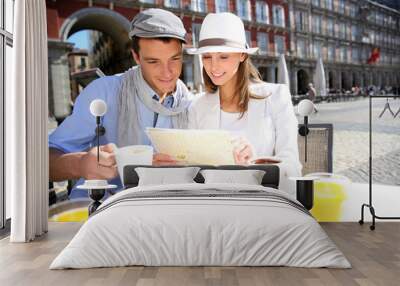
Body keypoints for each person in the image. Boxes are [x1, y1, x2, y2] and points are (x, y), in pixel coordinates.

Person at [49, 9, 192, 198]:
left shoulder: (193, 105)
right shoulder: (103, 92)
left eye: (174, 59)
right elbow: (45, 163)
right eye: (153, 61)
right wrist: (81, 163)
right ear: (136, 57)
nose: (167, 73)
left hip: (164, 209)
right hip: (103, 207)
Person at [187, 13, 301, 194]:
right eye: (207, 57)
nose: (213, 67)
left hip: (263, 202)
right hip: (212, 203)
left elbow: (293, 167)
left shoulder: (277, 97)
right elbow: (191, 169)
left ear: (242, 55)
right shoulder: (196, 106)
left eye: (223, 57)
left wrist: (255, 162)